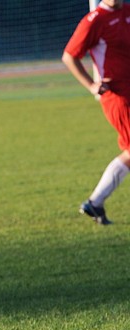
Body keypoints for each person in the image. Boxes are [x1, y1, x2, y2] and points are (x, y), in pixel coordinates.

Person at [62, 0, 130, 225]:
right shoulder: (94, 21)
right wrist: (92, 85)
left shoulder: (128, 12)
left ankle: (95, 202)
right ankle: (95, 201)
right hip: (118, 97)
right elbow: (69, 55)